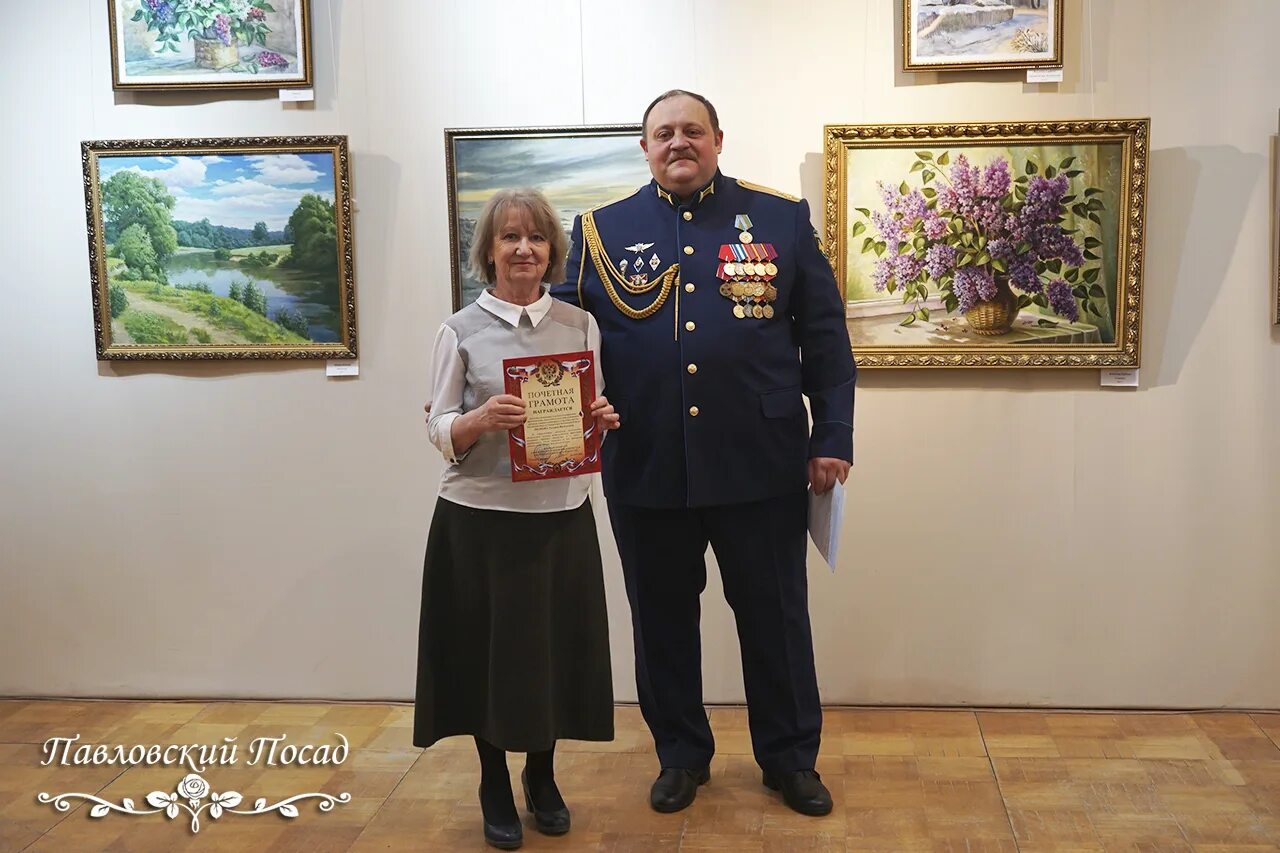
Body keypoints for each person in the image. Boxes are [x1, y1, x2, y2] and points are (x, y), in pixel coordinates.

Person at [550, 90, 855, 817]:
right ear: (644, 146)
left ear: (719, 138)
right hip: (647, 461)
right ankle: (681, 755)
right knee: (660, 622)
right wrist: (480, 351)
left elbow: (827, 339)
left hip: (762, 463)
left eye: (692, 130)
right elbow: (554, 336)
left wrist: (832, 438)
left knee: (775, 618)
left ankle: (789, 758)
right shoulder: (599, 231)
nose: (678, 142)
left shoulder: (780, 219)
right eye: (664, 133)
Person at [416, 188, 620, 850]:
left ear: (552, 249)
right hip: (479, 524)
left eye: (534, 237)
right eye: (509, 237)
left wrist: (601, 422)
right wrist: (475, 421)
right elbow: (437, 425)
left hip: (561, 518)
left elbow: (589, 411)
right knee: (487, 659)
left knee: (554, 654)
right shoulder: (458, 329)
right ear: (489, 252)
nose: (524, 248)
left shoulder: (579, 324)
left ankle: (543, 773)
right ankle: (493, 782)